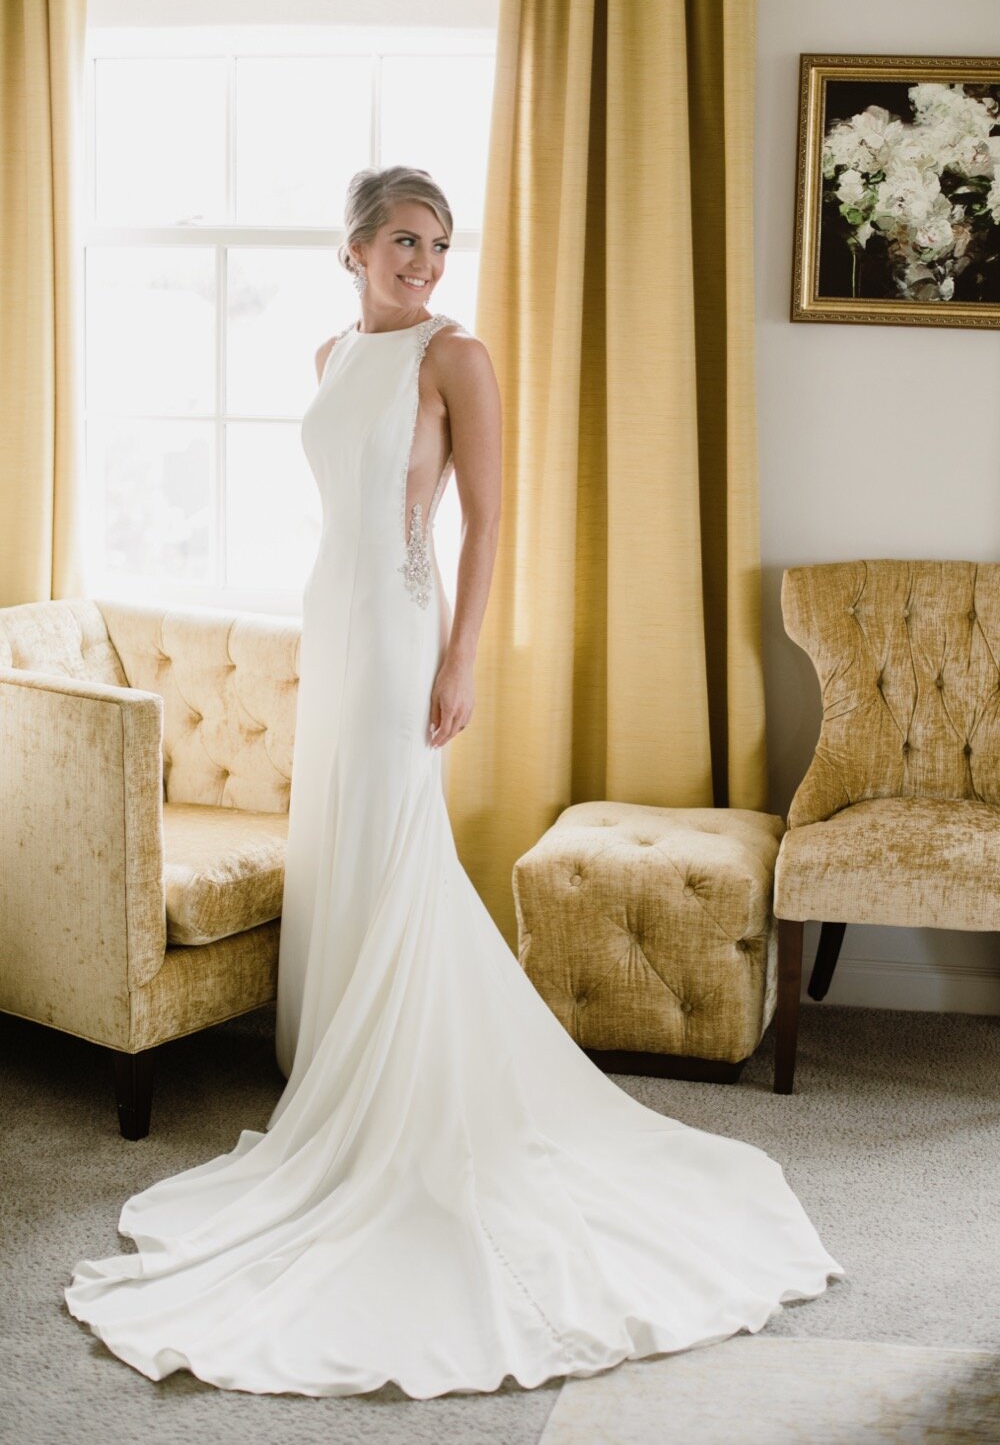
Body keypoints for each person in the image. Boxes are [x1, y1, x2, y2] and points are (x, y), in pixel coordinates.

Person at [64, 165, 842, 1400]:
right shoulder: (329, 350)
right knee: (346, 837)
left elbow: (487, 521)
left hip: (402, 624)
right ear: (354, 249)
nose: (425, 262)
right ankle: (342, 1071)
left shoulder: (455, 356)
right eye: (403, 242)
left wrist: (459, 655)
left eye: (438, 243)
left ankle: (399, 1088)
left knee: (392, 837)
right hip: (337, 614)